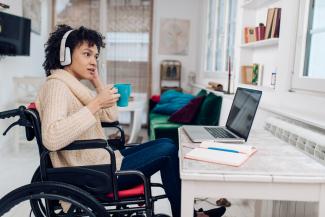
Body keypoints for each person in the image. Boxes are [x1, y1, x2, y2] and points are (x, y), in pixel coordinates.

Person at [36, 24, 225, 217]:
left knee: (167, 143)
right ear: (65, 55)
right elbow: (52, 138)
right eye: (87, 54)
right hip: (93, 174)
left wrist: (97, 82)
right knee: (168, 151)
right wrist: (95, 104)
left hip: (99, 164)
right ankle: (187, 215)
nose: (93, 61)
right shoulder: (57, 87)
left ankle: (187, 212)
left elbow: (111, 116)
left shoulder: (73, 87)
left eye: (95, 56)